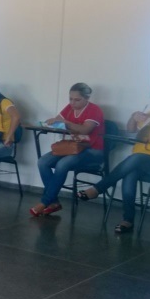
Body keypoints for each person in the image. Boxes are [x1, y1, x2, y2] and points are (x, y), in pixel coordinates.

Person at [79, 86, 150, 233]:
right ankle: (127, 220)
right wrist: (133, 118)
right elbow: (131, 130)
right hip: (140, 162)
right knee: (131, 172)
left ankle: (99, 188)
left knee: (137, 158)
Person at [31, 83, 105, 216]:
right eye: (70, 99)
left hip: (92, 150)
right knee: (42, 162)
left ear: (87, 98)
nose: (72, 103)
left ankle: (45, 201)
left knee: (62, 164)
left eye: (77, 100)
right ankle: (54, 202)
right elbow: (58, 121)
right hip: (72, 147)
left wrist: (67, 123)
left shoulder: (94, 110)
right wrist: (51, 123)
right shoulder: (70, 108)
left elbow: (85, 130)